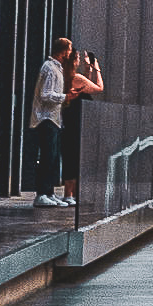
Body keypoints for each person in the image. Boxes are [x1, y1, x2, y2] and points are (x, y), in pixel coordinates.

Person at [30, 39, 73, 205]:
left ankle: (49, 192)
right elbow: (45, 94)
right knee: (47, 157)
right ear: (63, 51)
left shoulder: (57, 68)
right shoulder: (49, 68)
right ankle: (41, 194)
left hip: (54, 119)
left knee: (53, 157)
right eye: (68, 50)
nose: (69, 54)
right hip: (46, 118)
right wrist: (65, 97)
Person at [61, 46, 103, 204]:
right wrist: (97, 70)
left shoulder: (68, 76)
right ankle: (70, 194)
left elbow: (84, 89)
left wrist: (88, 71)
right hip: (76, 123)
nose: (80, 60)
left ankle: (70, 194)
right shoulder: (75, 77)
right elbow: (98, 88)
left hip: (69, 121)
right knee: (75, 156)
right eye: (78, 58)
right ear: (73, 61)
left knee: (70, 156)